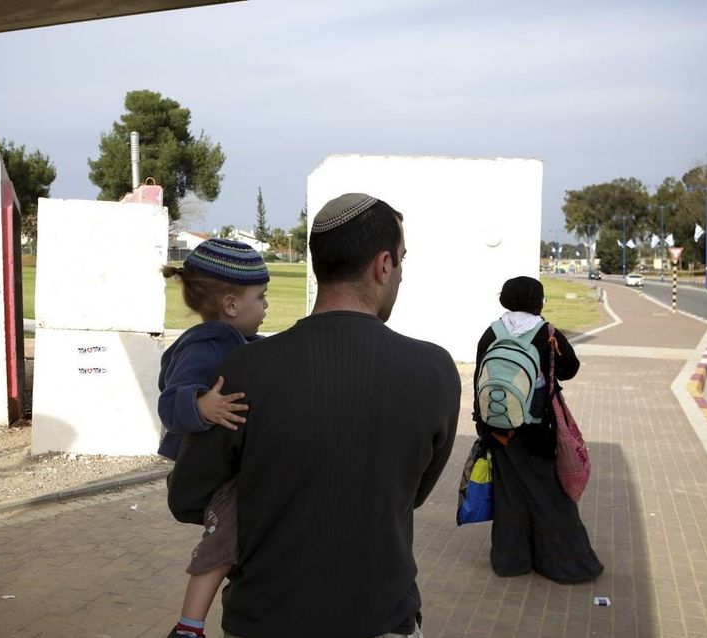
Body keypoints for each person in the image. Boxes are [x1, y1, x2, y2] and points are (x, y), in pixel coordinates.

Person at [168, 193, 461, 637]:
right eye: (401, 260)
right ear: (384, 265)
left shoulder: (246, 369)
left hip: (263, 619)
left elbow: (187, 497)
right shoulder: (435, 371)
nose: (400, 272)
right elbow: (412, 494)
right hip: (380, 616)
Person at [157, 238, 271, 638]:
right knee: (225, 538)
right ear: (231, 305)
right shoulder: (205, 345)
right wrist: (202, 406)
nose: (267, 306)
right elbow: (171, 400)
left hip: (229, 466)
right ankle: (189, 626)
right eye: (262, 297)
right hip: (211, 473)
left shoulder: (236, 341)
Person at [473, 275, 604, 583]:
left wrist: (481, 423)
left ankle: (510, 560)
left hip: (498, 428)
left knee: (510, 494)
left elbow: (481, 376)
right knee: (550, 494)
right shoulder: (547, 333)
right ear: (538, 300)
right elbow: (570, 369)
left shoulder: (491, 333)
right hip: (537, 428)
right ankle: (566, 563)